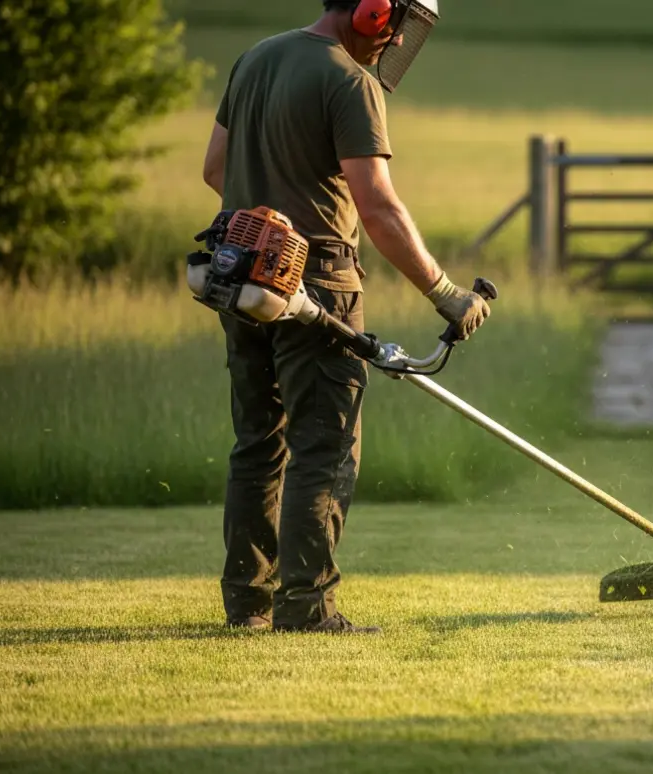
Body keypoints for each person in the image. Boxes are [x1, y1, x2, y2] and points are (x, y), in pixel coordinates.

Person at [200, 0, 488, 634]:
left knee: (258, 444)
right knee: (325, 448)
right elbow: (377, 204)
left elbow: (215, 169)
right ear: (373, 12)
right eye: (398, 25)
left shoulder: (256, 58)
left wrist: (264, 225)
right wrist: (445, 292)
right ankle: (306, 608)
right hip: (318, 278)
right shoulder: (348, 80)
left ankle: (247, 603)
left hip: (240, 268)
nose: (394, 42)